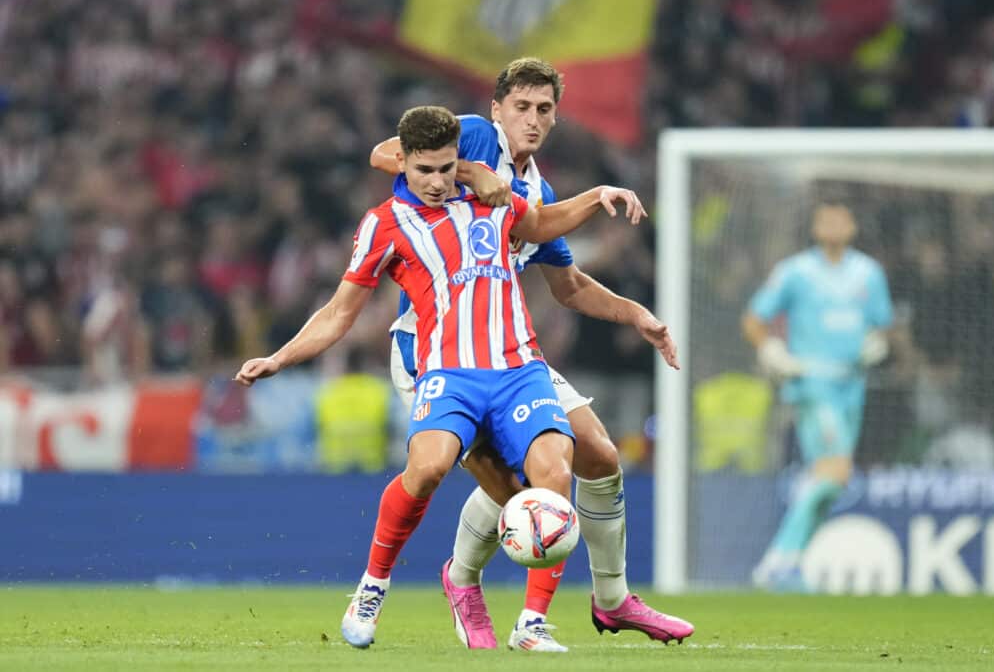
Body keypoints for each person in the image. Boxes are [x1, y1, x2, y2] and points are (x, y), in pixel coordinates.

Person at [233, 105, 647, 650]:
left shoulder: (492, 199)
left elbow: (543, 226)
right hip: (449, 373)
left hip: (518, 368)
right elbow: (338, 313)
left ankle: (532, 625)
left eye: (447, 168)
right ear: (401, 162)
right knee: (427, 469)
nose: (436, 181)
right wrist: (279, 358)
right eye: (424, 170)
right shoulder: (383, 225)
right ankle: (372, 586)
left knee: (555, 471)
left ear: (460, 161)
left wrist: (598, 196)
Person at [370, 58, 694, 650]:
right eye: (521, 106)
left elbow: (568, 286)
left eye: (544, 109)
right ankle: (463, 580)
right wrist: (469, 173)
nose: (533, 119)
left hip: (507, 350)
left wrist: (638, 314)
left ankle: (613, 599)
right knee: (518, 491)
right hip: (434, 350)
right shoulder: (470, 134)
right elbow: (385, 153)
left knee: (597, 455)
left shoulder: (537, 192)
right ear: (497, 109)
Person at [742, 203, 893, 591]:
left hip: (852, 384)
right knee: (835, 471)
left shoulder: (868, 273)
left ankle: (791, 564)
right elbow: (754, 319)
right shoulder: (795, 272)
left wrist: (877, 344)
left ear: (853, 225)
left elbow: (884, 325)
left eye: (841, 217)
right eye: (826, 218)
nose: (833, 225)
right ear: (815, 226)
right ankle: (777, 560)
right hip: (812, 382)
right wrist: (771, 351)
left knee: (831, 482)